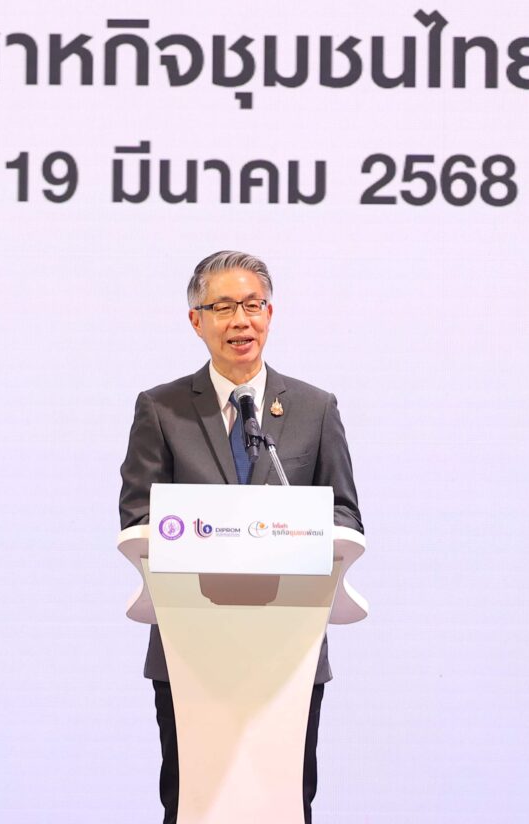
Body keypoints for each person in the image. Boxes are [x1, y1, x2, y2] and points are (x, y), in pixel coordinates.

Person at [118, 250, 363, 824]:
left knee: (286, 802)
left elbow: (346, 515)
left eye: (253, 305)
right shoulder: (162, 409)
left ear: (270, 314)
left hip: (289, 649)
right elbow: (137, 515)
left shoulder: (314, 408)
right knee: (190, 802)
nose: (241, 321)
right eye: (223, 307)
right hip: (189, 650)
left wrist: (296, 536)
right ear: (196, 321)